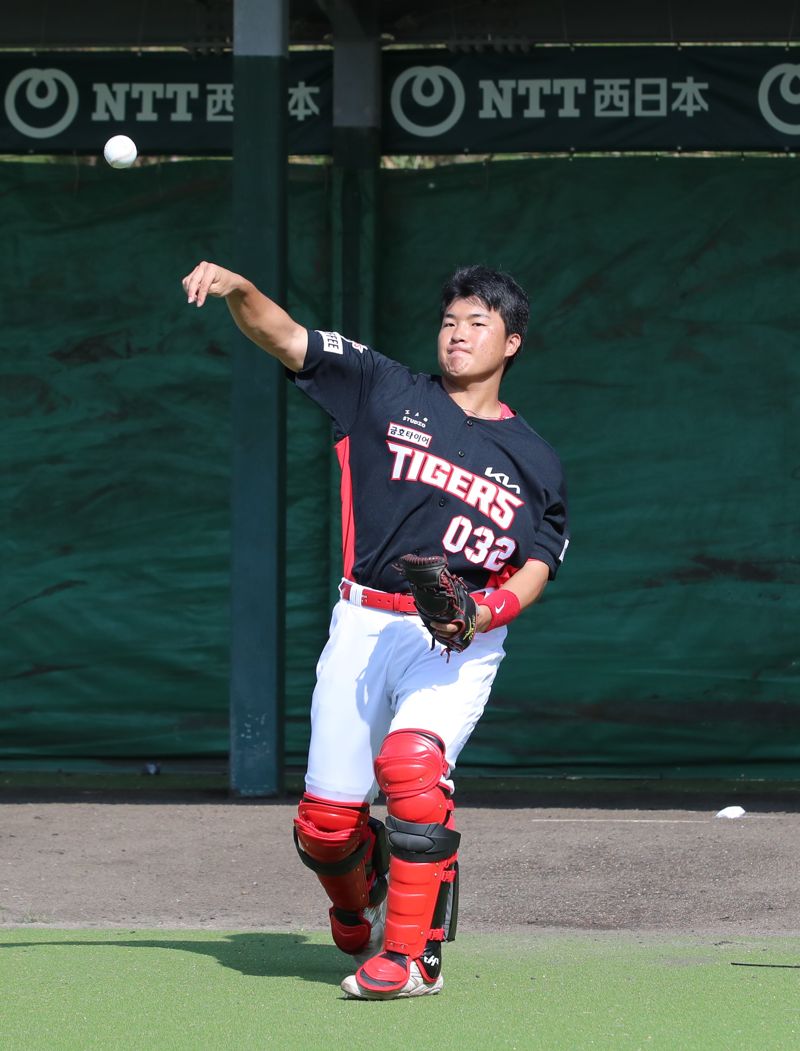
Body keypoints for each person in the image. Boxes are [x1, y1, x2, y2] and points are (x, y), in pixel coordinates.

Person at [182, 260, 570, 1000]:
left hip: (456, 638)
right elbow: (287, 337)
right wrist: (238, 291)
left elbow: (538, 562)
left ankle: (415, 957)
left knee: (413, 771)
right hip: (364, 620)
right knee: (327, 826)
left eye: (477, 322)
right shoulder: (382, 387)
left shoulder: (536, 458)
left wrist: (488, 613)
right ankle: (357, 898)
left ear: (512, 342)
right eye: (450, 321)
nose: (457, 334)